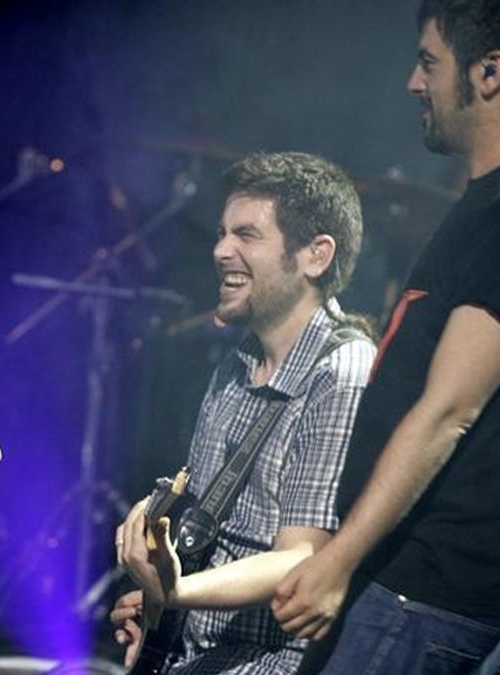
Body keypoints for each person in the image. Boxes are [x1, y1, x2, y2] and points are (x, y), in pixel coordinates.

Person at [271, 2, 500, 673]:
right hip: (414, 592)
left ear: (489, 73)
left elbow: (448, 410)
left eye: (428, 62)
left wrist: (339, 559)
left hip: (422, 599)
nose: (413, 84)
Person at [111, 152, 376, 674]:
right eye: (222, 233)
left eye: (247, 235)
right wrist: (159, 607)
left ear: (316, 256)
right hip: (199, 653)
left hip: (271, 662)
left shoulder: (341, 373)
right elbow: (209, 539)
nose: (220, 250)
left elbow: (303, 558)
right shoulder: (236, 365)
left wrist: (177, 589)